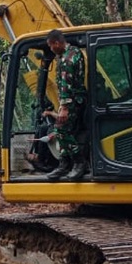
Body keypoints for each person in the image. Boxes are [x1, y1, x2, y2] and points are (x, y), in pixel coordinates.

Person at [45, 30, 87, 181]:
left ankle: (79, 162)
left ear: (57, 43)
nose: (51, 49)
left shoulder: (67, 59)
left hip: (72, 101)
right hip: (74, 100)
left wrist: (64, 108)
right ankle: (64, 164)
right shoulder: (71, 53)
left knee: (61, 130)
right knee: (66, 131)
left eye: (50, 46)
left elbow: (66, 86)